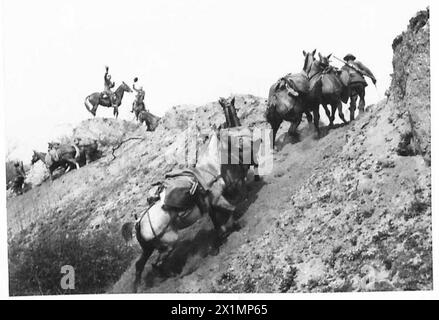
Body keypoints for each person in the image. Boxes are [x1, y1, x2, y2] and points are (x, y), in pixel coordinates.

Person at [342, 54, 376, 118]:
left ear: (346, 60)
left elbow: (342, 77)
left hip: (351, 83)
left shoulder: (344, 67)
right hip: (360, 82)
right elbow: (367, 70)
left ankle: (352, 117)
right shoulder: (357, 63)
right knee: (362, 97)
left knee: (353, 99)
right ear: (353, 59)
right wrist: (372, 77)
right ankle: (361, 113)